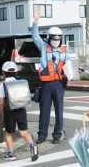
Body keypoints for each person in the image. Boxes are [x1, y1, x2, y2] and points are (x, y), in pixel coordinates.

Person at [32, 11, 68, 144]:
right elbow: (35, 36)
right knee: (44, 111)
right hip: (46, 84)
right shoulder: (43, 47)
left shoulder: (64, 51)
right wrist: (36, 21)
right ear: (49, 38)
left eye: (58, 39)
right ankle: (42, 135)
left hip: (59, 84)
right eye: (53, 39)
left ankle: (57, 135)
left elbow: (69, 65)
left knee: (59, 111)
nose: (56, 41)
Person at [0, 61, 38, 161]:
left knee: (8, 133)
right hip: (21, 110)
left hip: (9, 112)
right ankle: (33, 147)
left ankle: (11, 154)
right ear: (16, 72)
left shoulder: (2, 85)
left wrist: (1, 113)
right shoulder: (21, 82)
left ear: (3, 72)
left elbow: (1, 103)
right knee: (24, 132)